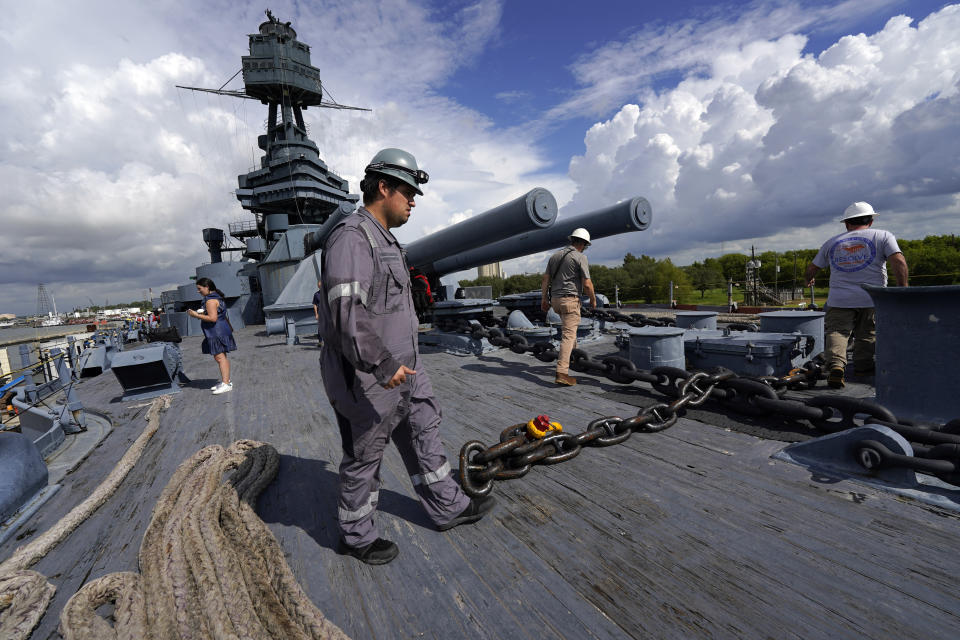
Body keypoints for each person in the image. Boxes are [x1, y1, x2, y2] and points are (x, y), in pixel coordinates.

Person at [317, 148, 495, 565]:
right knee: (365, 457)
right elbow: (347, 311)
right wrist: (382, 364)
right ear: (383, 187)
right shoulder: (352, 237)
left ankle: (447, 506)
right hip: (369, 377)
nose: (414, 200)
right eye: (408, 192)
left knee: (424, 432)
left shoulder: (386, 240)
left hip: (406, 369)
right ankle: (356, 535)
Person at [804, 201, 908, 388]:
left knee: (837, 332)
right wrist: (903, 289)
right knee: (867, 333)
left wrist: (809, 279)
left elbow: (812, 268)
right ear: (870, 220)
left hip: (839, 299)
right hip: (871, 298)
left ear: (847, 223)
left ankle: (836, 365)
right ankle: (863, 367)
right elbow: (898, 261)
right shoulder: (883, 236)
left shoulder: (832, 242)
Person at [540, 228, 597, 386]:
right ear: (584, 244)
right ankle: (562, 373)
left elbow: (545, 279)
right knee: (568, 336)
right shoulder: (580, 257)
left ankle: (573, 359)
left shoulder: (555, 256)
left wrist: (544, 299)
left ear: (572, 239)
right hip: (570, 300)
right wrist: (593, 300)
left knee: (570, 332)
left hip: (556, 301)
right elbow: (587, 283)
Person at [188, 277, 236, 395]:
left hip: (216, 332)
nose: (198, 291)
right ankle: (226, 381)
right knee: (220, 357)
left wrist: (195, 315)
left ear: (207, 287)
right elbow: (220, 315)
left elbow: (213, 318)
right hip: (220, 330)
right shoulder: (216, 298)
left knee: (220, 358)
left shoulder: (210, 301)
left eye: (199, 289)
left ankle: (226, 383)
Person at [311, 279, 324, 348]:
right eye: (319, 286)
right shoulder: (316, 295)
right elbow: (315, 304)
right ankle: (320, 341)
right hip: (320, 313)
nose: (320, 287)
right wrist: (316, 314)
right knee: (320, 328)